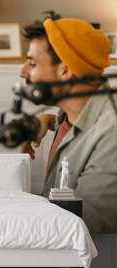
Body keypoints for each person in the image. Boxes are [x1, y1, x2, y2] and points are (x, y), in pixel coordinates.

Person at [20, 18, 117, 233]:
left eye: (33, 64)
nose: (23, 72)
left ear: (65, 71)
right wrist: (45, 119)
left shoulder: (111, 137)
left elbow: (83, 226)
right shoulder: (73, 113)